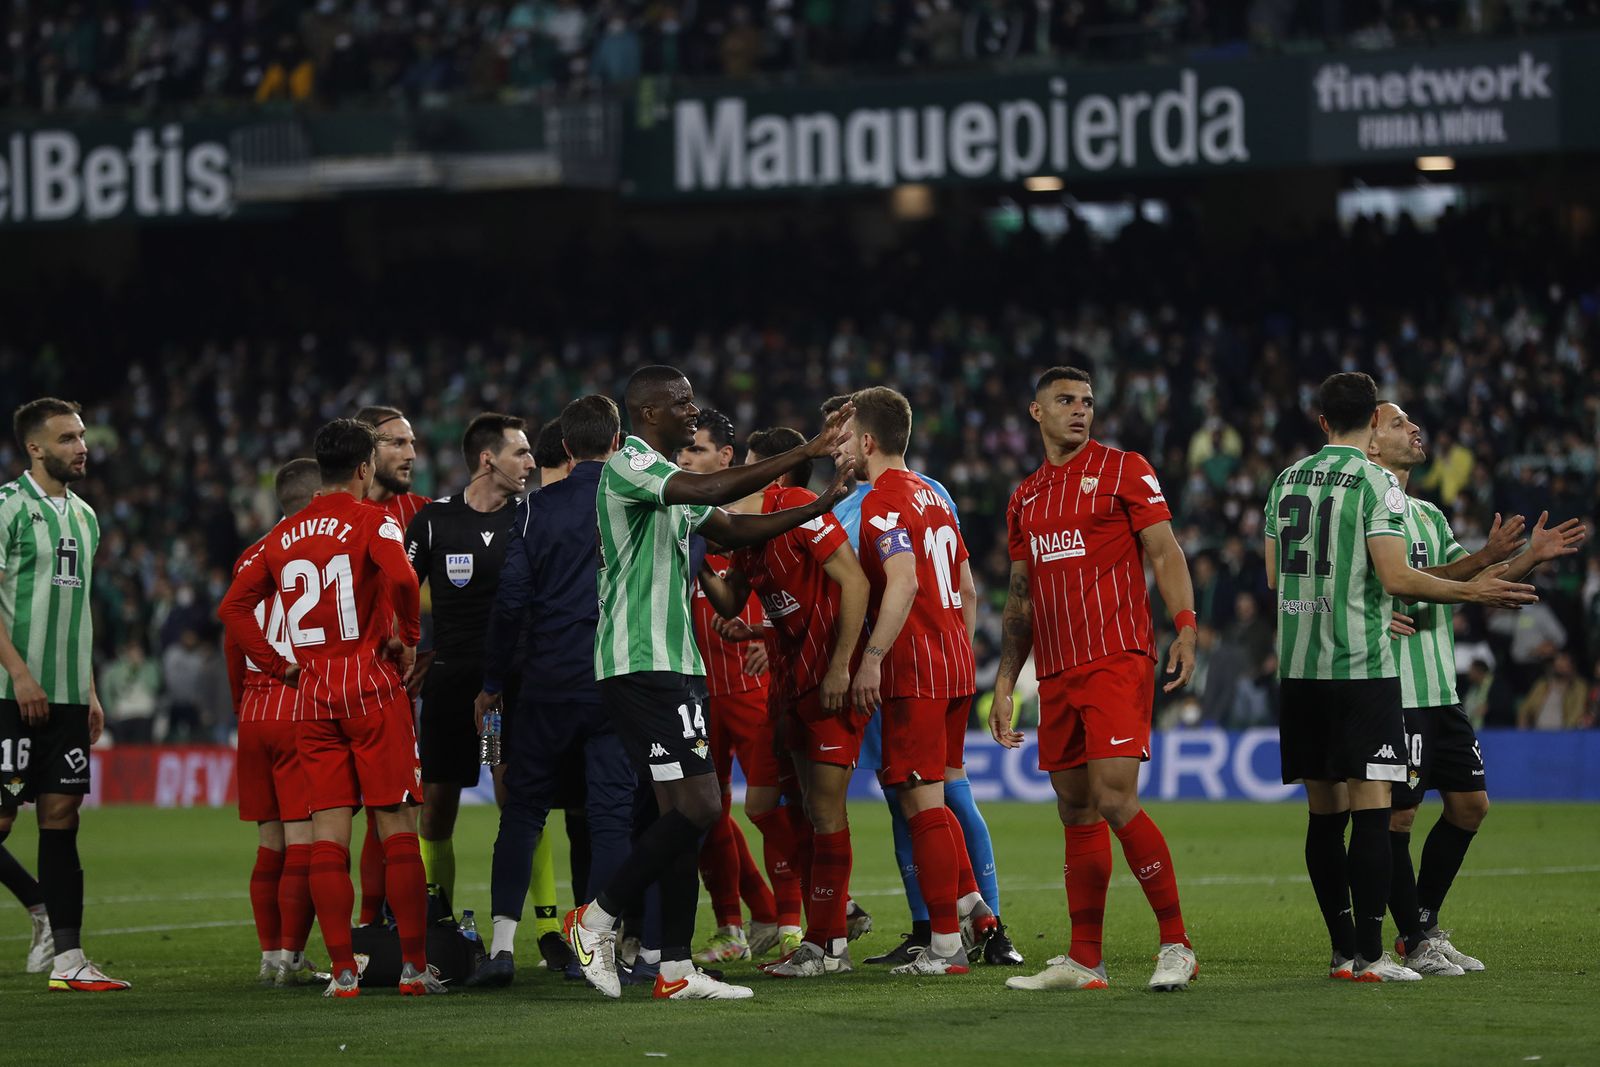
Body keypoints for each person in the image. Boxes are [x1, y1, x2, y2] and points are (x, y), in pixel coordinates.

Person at [564, 365, 854, 1002]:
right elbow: (715, 486)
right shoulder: (630, 466)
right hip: (641, 662)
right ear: (647, 413)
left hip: (675, 662)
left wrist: (822, 504)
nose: (693, 412)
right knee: (700, 807)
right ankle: (598, 916)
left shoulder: (670, 482)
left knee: (683, 817)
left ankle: (673, 969)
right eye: (681, 403)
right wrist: (803, 453)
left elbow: (732, 528)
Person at [1260, 373, 1536, 984]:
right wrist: (1473, 590)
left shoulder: (1285, 481)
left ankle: (1341, 952)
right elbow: (1396, 577)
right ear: (1367, 421)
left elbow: (1279, 580)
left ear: (1322, 418)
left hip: (1301, 669)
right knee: (1372, 811)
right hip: (1361, 668)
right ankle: (1370, 955)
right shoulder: (1374, 480)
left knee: (1323, 815)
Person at [992, 366, 1200, 993]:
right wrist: (1006, 682)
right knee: (1075, 807)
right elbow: (1020, 599)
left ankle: (1177, 944)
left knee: (1113, 798)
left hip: (1116, 655)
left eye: (1086, 401)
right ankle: (1086, 960)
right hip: (1054, 668)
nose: (1079, 411)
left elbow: (1164, 551)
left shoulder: (1124, 468)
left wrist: (1185, 626)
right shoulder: (1024, 496)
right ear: (1037, 412)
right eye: (1065, 401)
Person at [219, 418, 442, 998]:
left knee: (327, 835)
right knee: (397, 826)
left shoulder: (281, 535)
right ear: (365, 468)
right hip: (368, 683)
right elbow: (398, 575)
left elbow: (233, 611)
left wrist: (277, 666)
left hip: (311, 692)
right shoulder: (373, 520)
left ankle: (342, 972)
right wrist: (409, 635)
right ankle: (414, 969)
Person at [1369, 400, 1587, 974]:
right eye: (1398, 423)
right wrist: (1485, 559)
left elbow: (1472, 584)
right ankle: (1413, 938)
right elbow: (1398, 585)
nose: (1415, 429)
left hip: (1440, 689)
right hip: (1394, 688)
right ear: (1370, 443)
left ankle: (1423, 926)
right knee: (1397, 819)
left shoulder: (1428, 515)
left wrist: (1526, 560)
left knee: (1470, 806)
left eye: (1413, 421)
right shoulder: (1365, 508)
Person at [818, 393, 1011, 968]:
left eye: (848, 437)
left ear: (870, 442)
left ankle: (947, 944)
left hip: (913, 668)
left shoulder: (880, 501)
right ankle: (976, 910)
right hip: (953, 662)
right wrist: (957, 643)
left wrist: (874, 657)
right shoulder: (933, 493)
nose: (841, 446)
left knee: (923, 804)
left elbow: (900, 582)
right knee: (933, 798)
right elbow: (968, 586)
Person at [471, 397, 638, 988]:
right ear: (618, 443)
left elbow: (511, 602)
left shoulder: (534, 512)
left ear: (564, 448)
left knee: (521, 814)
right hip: (614, 681)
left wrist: (492, 686)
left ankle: (499, 948)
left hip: (544, 684)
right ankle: (601, 948)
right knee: (609, 818)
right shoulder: (634, 504)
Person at [700, 425, 872, 977]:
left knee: (823, 812)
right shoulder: (750, 531)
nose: (735, 475)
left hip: (827, 676)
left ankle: (828, 946)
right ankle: (829, 922)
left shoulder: (797, 505)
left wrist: (843, 664)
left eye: (746, 464)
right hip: (788, 680)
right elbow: (730, 600)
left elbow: (856, 583)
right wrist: (696, 556)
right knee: (770, 805)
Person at [0, 397, 127, 991]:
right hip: (9, 691)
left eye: (81, 435)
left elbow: (78, 612)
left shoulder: (85, 516)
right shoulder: (5, 508)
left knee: (61, 815)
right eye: (69, 438)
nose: (82, 446)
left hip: (70, 694)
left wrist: (91, 690)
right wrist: (21, 674)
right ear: (35, 447)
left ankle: (69, 962)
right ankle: (36, 905)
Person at [403, 414, 534, 910]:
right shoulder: (435, 521)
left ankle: (538, 926)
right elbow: (399, 593)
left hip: (502, 688)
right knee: (437, 806)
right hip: (449, 685)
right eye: (520, 452)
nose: (530, 462)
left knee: (514, 798)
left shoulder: (528, 516)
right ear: (487, 459)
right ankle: (435, 915)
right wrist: (411, 644)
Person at [676, 410, 791, 965]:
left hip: (752, 690)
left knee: (774, 810)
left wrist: (769, 638)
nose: (684, 461)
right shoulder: (678, 519)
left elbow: (790, 595)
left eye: (695, 451)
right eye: (681, 453)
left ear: (726, 459)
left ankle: (793, 918)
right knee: (706, 815)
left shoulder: (749, 523)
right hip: (693, 695)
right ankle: (735, 925)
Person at [222, 457, 323, 987]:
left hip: (254, 713)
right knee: (306, 842)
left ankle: (268, 957)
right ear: (315, 500)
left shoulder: (249, 556)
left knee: (270, 844)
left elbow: (232, 636)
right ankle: (291, 957)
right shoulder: (318, 548)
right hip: (298, 700)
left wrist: (240, 703)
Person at [353, 404, 431, 925]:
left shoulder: (423, 515)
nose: (410, 454)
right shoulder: (331, 514)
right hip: (337, 686)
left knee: (398, 810)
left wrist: (426, 649)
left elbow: (454, 592)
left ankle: (373, 927)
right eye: (396, 444)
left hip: (400, 687)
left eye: (412, 443)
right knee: (332, 819)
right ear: (365, 453)